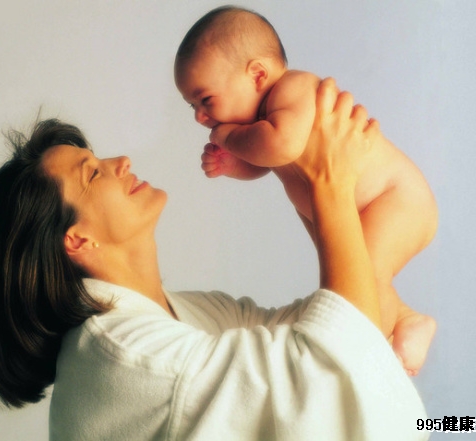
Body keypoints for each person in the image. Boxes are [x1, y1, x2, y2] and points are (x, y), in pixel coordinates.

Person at [0, 79, 428, 440]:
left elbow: (346, 327)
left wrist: (316, 183)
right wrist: (330, 182)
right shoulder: (130, 357)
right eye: (93, 173)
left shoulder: (196, 314)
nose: (121, 160)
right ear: (77, 240)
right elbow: (335, 364)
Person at [174, 5, 438, 376]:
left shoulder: (292, 89)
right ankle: (409, 320)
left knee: (363, 277)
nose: (200, 117)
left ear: (257, 74)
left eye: (205, 100)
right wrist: (235, 165)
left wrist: (230, 137)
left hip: (394, 199)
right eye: (192, 106)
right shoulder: (265, 122)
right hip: (356, 207)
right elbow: (268, 162)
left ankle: (370, 362)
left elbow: (281, 146)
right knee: (358, 273)